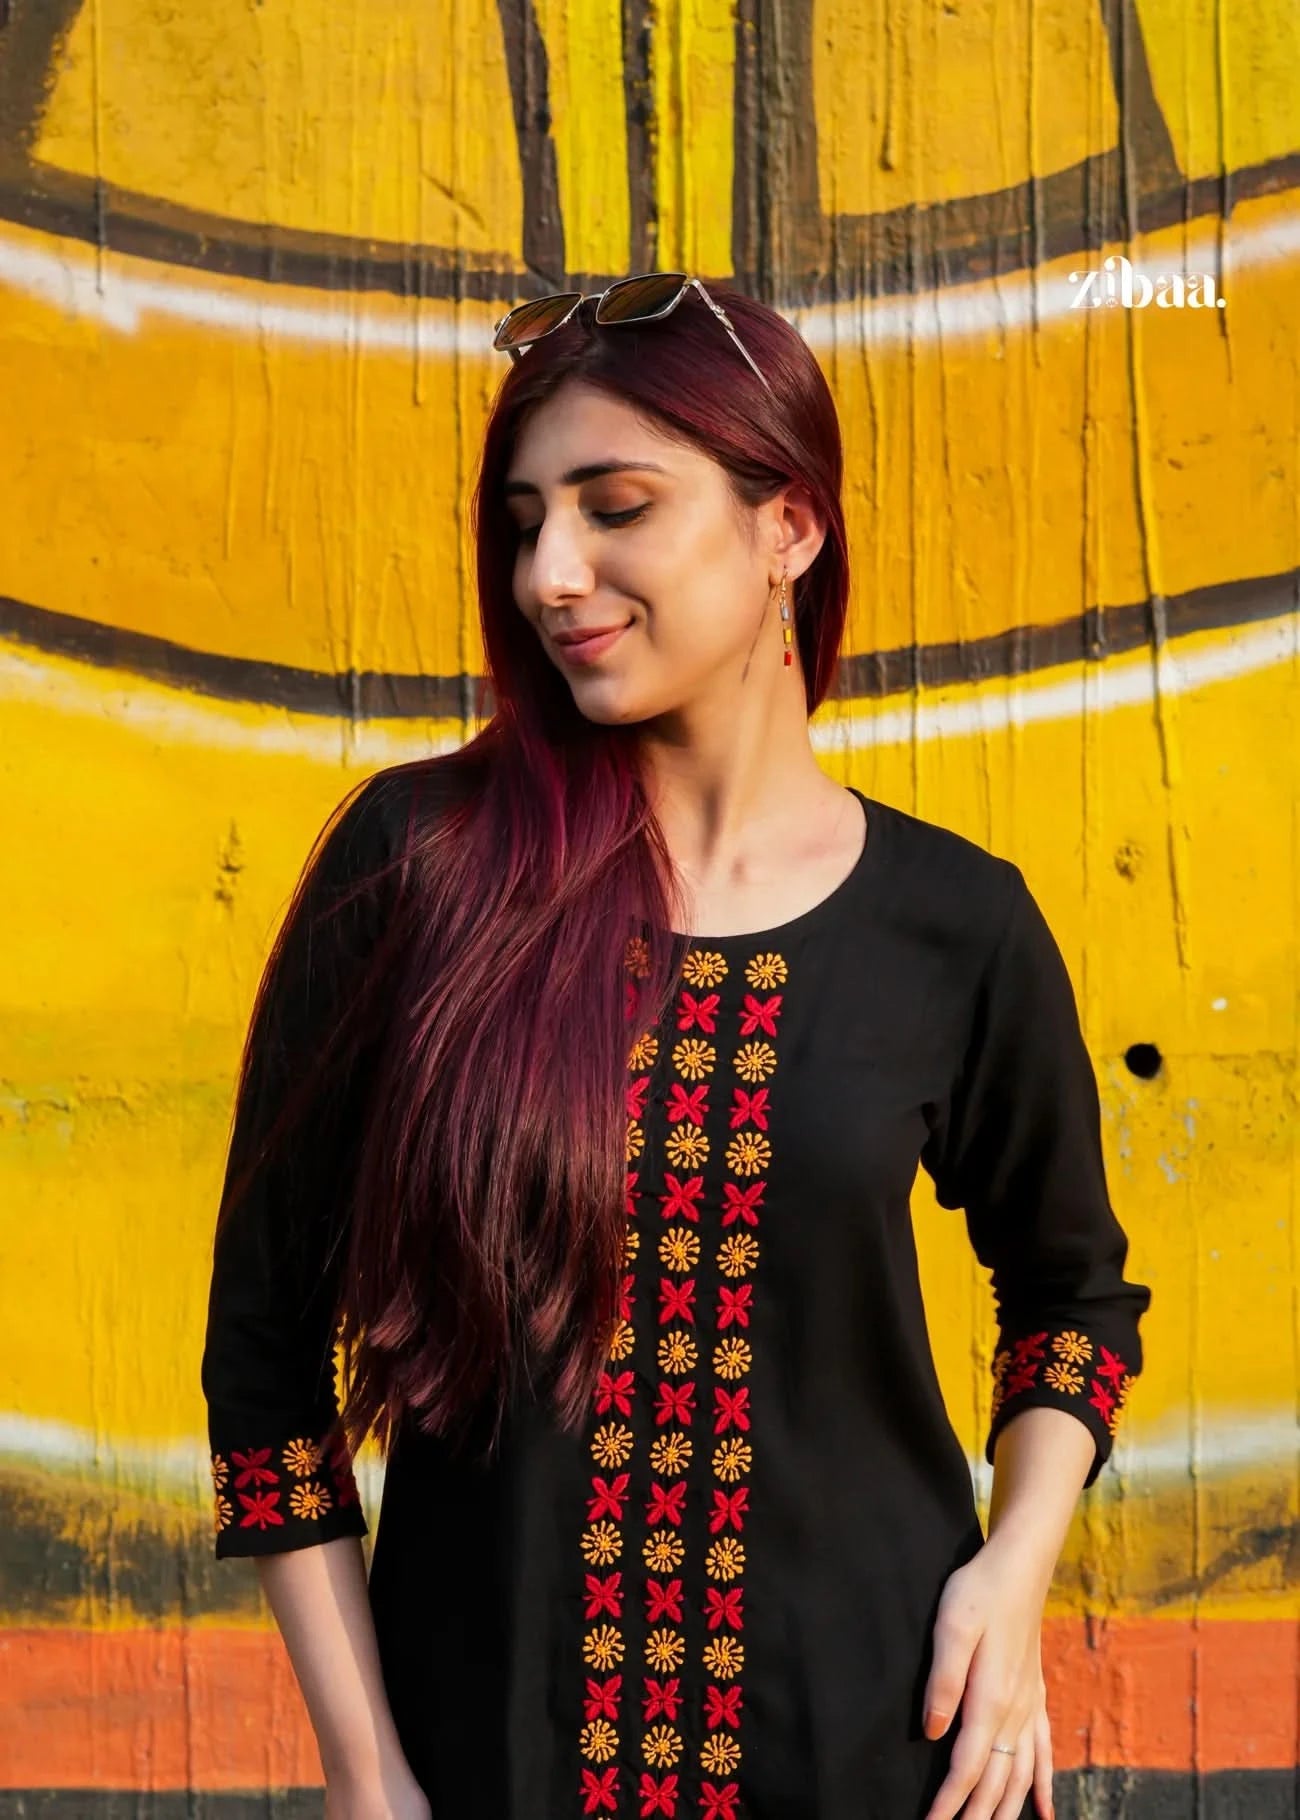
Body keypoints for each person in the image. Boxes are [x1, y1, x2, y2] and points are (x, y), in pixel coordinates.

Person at [200, 274, 1152, 1820]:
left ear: (792, 526)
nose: (550, 572)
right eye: (523, 521)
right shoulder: (421, 869)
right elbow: (263, 1365)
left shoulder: (958, 924)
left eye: (616, 506)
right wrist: (367, 1768)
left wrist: (1012, 1576)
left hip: (882, 1751)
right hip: (487, 1760)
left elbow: (1072, 1308)